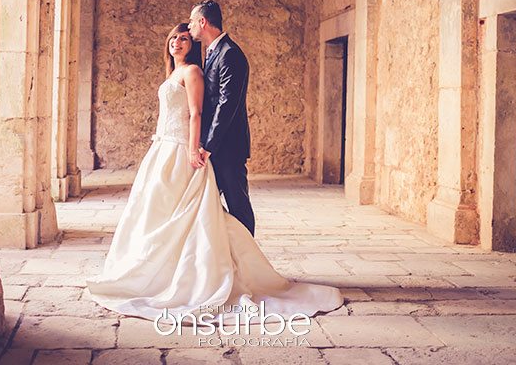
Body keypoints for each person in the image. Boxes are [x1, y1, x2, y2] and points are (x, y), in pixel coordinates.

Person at [87, 22, 342, 320]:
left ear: (193, 42)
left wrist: (195, 150)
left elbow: (196, 113)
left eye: (184, 38)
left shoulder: (193, 71)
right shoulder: (174, 71)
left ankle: (229, 267)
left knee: (192, 213)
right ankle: (154, 271)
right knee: (155, 210)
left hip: (181, 149)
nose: (178, 42)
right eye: (174, 38)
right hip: (163, 148)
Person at [187, 0, 256, 236]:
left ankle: (248, 260)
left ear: (203, 22)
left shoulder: (230, 54)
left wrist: (209, 145)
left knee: (238, 204)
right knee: (205, 204)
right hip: (216, 146)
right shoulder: (213, 52)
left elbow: (227, 104)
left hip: (228, 147)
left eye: (192, 21)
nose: (189, 26)